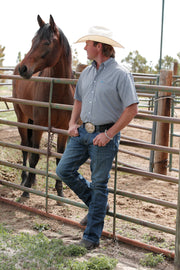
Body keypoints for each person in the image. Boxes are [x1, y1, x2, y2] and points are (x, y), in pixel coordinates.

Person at [56, 26, 139, 250]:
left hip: (105, 135)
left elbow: (131, 109)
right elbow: (78, 100)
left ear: (99, 47)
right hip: (83, 132)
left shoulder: (121, 73)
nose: (84, 48)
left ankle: (91, 238)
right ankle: (98, 207)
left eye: (88, 44)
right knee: (63, 170)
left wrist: (109, 134)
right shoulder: (86, 72)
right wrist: (73, 123)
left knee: (100, 184)